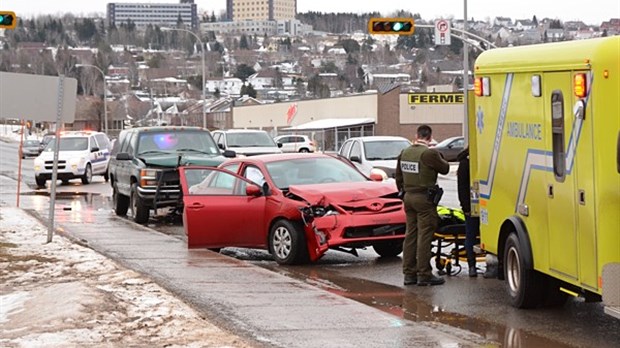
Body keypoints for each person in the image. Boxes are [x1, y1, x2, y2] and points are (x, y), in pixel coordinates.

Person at [396, 125, 450, 286]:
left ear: (416, 135)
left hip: (408, 197)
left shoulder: (405, 152)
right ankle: (424, 274)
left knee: (410, 235)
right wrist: (438, 154)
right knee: (424, 236)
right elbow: (445, 169)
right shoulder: (429, 153)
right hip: (424, 199)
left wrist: (403, 193)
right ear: (430, 137)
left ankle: (409, 274)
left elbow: (398, 177)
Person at [456, 147, 479, 277]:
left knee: (472, 235)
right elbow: (462, 187)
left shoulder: (467, 162)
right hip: (471, 206)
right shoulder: (465, 163)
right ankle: (472, 265)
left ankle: (478, 265)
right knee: (471, 235)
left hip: (481, 204)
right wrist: (466, 207)